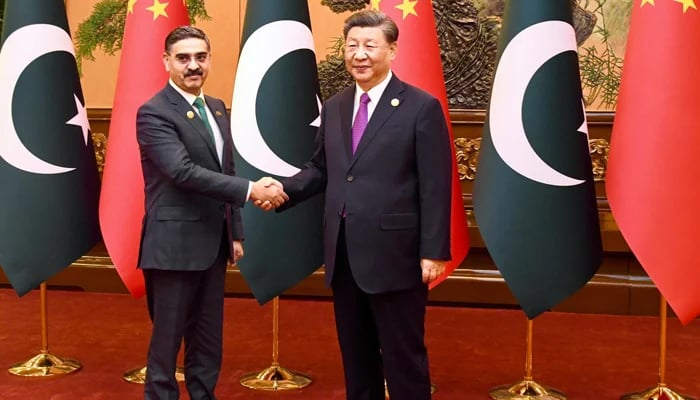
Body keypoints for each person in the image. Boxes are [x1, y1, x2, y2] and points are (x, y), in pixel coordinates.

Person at [277, 10, 452, 400]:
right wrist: (281, 191)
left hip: (398, 256)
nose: (360, 54)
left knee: (403, 357)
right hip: (343, 255)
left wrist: (434, 251)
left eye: (370, 46)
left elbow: (436, 184)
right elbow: (321, 168)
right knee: (356, 359)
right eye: (352, 46)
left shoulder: (420, 107)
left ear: (392, 50)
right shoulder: (337, 106)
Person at [136, 26, 287, 399]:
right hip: (172, 247)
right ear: (166, 61)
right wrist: (252, 191)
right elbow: (181, 171)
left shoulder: (216, 107)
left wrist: (234, 232)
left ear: (209, 60)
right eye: (183, 58)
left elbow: (226, 169)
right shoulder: (153, 112)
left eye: (200, 57)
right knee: (166, 347)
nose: (193, 66)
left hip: (214, 245)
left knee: (207, 343)